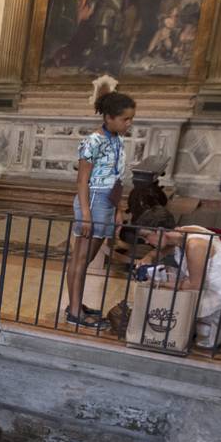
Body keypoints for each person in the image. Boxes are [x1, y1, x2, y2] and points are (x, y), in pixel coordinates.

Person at [64, 92, 134, 329]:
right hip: (92, 200)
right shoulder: (93, 141)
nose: (129, 123)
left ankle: (75, 304)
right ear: (109, 117)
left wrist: (118, 209)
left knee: (86, 259)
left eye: (130, 119)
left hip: (107, 200)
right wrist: (85, 214)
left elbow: (116, 177)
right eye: (125, 119)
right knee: (81, 259)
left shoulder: (117, 139)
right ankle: (74, 311)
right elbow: (82, 180)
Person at [139, 225, 221, 350]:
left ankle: (218, 328)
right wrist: (148, 257)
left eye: (146, 237)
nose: (146, 242)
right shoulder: (182, 232)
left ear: (159, 230)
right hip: (212, 290)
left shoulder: (195, 245)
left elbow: (195, 285)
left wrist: (158, 284)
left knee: (201, 340)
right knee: (167, 277)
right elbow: (166, 248)